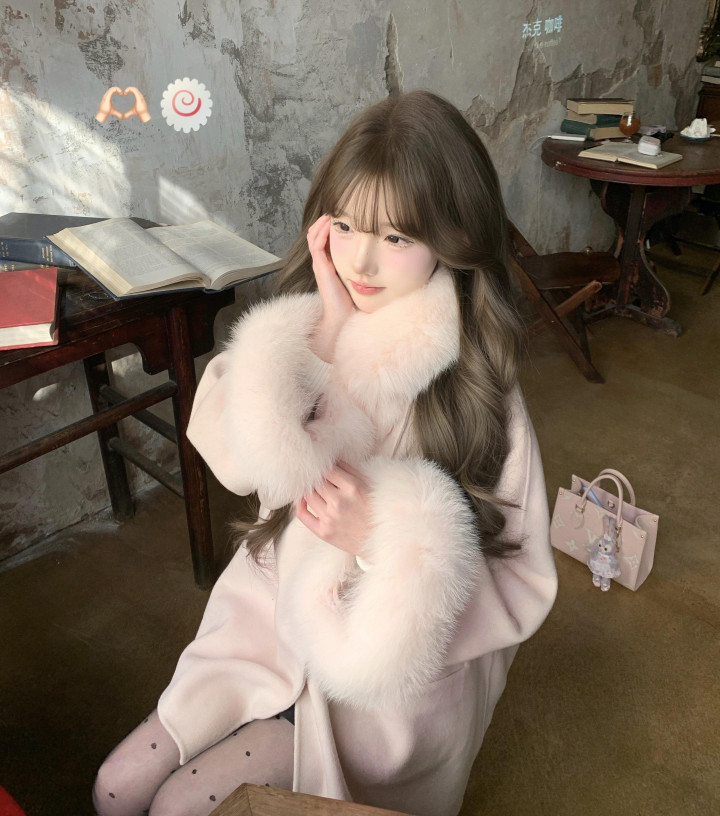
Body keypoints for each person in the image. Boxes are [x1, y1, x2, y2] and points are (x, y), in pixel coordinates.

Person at [93, 91, 557, 816]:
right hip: (264, 622)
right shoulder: (308, 330)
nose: (361, 260)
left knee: (178, 807)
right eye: (345, 225)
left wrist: (382, 544)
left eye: (397, 237)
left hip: (377, 695)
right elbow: (235, 461)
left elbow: (522, 580)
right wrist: (324, 339)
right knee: (115, 787)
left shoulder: (478, 384)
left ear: (453, 237)